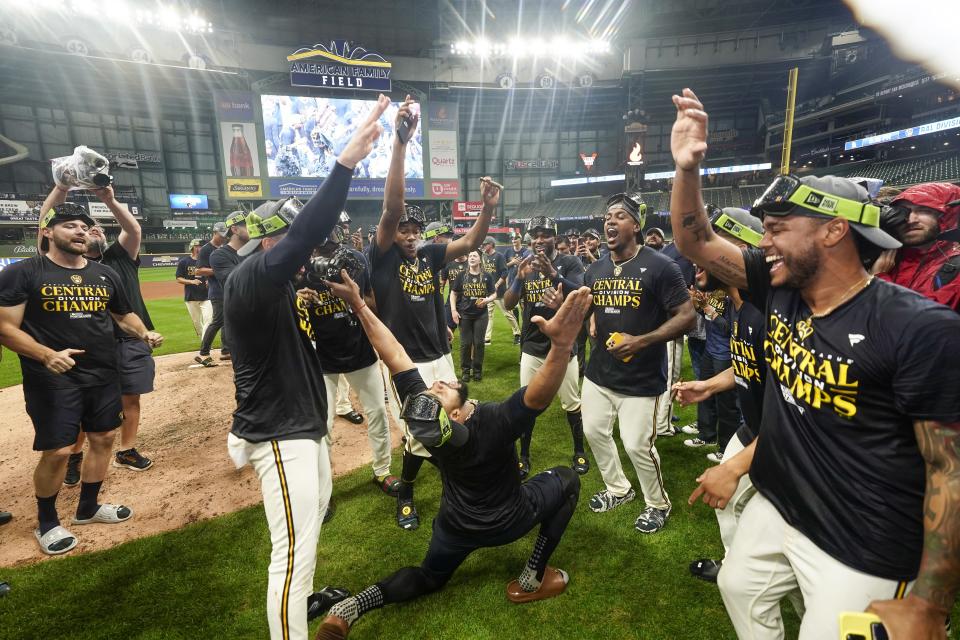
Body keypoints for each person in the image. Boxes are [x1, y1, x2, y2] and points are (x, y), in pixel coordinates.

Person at [671, 87, 960, 640]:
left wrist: (930, 600)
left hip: (866, 539)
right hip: (782, 502)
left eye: (779, 227)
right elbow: (697, 240)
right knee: (739, 586)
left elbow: (949, 471)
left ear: (833, 230)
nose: (764, 239)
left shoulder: (918, 328)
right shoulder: (781, 289)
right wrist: (687, 168)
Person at [314, 273, 593, 640]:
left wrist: (358, 304)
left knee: (429, 577)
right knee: (568, 480)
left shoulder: (431, 427)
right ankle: (532, 576)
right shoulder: (492, 420)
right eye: (440, 391)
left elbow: (394, 353)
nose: (437, 384)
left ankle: (348, 609)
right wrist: (561, 346)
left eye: (436, 386)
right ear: (458, 414)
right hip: (510, 519)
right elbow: (538, 397)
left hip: (455, 528)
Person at [222, 94, 387, 640]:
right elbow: (304, 234)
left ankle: (306, 602)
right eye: (290, 238)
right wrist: (344, 165)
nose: (306, 248)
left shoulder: (279, 280)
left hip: (301, 423)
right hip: (276, 428)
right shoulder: (250, 278)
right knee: (289, 552)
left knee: (309, 527)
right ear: (268, 239)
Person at [368, 95, 498, 531]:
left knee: (444, 421)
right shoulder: (383, 257)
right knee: (420, 433)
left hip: (439, 355)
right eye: (402, 228)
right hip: (406, 362)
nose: (408, 234)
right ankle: (406, 490)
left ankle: (439, 482)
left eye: (413, 228)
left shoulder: (430, 254)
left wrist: (488, 209)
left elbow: (471, 243)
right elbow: (391, 205)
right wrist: (401, 144)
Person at [0, 204, 162, 555]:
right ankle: (47, 522)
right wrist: (46, 355)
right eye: (69, 225)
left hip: (103, 373)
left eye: (85, 227)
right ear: (47, 232)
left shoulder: (104, 274)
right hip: (53, 378)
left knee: (104, 438)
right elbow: (5, 328)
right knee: (58, 451)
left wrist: (143, 333)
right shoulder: (23, 272)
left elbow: (123, 314)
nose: (79, 231)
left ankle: (88, 508)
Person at [581, 192, 694, 534]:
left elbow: (687, 317)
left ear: (636, 225)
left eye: (618, 216)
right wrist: (583, 315)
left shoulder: (661, 265)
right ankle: (618, 489)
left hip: (642, 378)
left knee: (636, 445)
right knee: (593, 431)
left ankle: (657, 503)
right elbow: (591, 310)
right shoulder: (596, 268)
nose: (609, 221)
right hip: (599, 373)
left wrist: (641, 340)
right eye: (607, 216)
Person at [672, 207, 768, 582]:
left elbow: (793, 413)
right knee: (725, 505)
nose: (696, 263)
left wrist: (735, 466)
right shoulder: (737, 306)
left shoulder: (768, 315)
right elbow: (747, 364)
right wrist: (708, 386)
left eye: (707, 252)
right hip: (753, 433)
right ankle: (737, 568)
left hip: (778, 440)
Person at [296, 230, 399, 498]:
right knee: (323, 426)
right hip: (321, 360)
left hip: (360, 352)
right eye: (321, 249)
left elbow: (373, 304)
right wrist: (299, 299)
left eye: (330, 246)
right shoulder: (300, 265)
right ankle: (323, 488)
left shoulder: (354, 260)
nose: (326, 253)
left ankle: (383, 471)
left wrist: (352, 296)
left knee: (377, 413)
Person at [503, 216, 589, 478]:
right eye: (535, 235)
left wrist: (554, 275)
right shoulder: (524, 264)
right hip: (532, 346)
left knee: (571, 403)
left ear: (554, 236)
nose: (539, 240)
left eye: (545, 234)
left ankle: (579, 451)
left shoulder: (569, 261)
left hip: (563, 346)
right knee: (526, 402)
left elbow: (584, 293)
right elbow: (507, 304)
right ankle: (524, 456)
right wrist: (518, 279)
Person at [80, 186, 158, 473]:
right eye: (88, 229)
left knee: (131, 397)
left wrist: (108, 199)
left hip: (130, 339)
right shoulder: (71, 267)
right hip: (92, 342)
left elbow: (133, 228)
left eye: (97, 228)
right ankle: (76, 454)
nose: (95, 230)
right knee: (85, 401)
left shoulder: (118, 257)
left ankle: (126, 450)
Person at [872, 182, 960, 311]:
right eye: (903, 212)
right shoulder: (884, 255)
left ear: (948, 215)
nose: (910, 219)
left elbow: (923, 321)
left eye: (924, 210)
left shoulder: (955, 268)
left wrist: (878, 279)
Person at [682, 268, 738, 457]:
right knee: (704, 393)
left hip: (726, 354)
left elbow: (727, 328)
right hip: (710, 348)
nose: (698, 275)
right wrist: (697, 303)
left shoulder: (732, 296)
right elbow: (707, 315)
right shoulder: (714, 291)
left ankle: (725, 448)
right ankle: (707, 435)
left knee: (726, 404)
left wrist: (706, 307)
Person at [206, 211, 249, 363]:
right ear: (235, 229)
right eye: (247, 225)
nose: (252, 227)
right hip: (240, 318)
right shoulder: (219, 255)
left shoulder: (256, 250)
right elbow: (237, 282)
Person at [450, 250, 495, 381]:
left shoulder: (487, 276)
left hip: (481, 315)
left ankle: (477, 370)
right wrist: (453, 310)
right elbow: (453, 293)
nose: (472, 258)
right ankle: (465, 370)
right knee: (466, 344)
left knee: (479, 343)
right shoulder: (462, 276)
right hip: (465, 315)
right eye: (470, 256)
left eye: (475, 256)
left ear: (480, 259)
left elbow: (494, 293)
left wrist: (487, 300)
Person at [195, 221, 229, 366]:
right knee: (217, 321)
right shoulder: (206, 249)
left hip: (227, 290)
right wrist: (219, 270)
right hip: (217, 291)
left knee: (227, 321)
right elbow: (199, 270)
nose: (223, 238)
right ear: (214, 233)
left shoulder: (225, 248)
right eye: (221, 235)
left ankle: (226, 350)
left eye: (225, 235)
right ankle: (203, 353)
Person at [480, 236, 518, 344]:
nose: (483, 246)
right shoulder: (484, 256)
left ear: (491, 244)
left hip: (499, 291)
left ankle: (517, 333)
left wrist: (496, 284)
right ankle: (487, 338)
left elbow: (504, 272)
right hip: (489, 292)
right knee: (489, 315)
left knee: (508, 314)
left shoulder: (499, 256)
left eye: (485, 244)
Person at [176, 239, 212, 339]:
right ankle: (203, 340)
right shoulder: (184, 262)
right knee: (196, 322)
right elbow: (178, 278)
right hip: (191, 296)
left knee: (209, 320)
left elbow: (213, 273)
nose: (199, 248)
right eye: (197, 246)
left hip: (207, 296)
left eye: (201, 246)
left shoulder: (208, 260)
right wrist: (191, 281)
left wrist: (210, 280)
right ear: (192, 248)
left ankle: (205, 344)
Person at [503, 232, 530, 345]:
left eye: (516, 238)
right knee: (512, 308)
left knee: (525, 307)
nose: (513, 240)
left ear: (520, 239)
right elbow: (503, 266)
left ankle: (525, 329)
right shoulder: (508, 251)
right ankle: (517, 333)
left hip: (524, 283)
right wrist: (512, 262)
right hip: (512, 283)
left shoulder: (526, 251)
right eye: (512, 238)